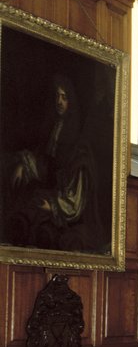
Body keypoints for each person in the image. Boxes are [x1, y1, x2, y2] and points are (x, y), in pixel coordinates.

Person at [5, 73, 96, 251]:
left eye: (64, 97)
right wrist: (24, 165)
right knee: (22, 217)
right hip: (49, 194)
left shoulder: (79, 146)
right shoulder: (55, 129)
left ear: (71, 101)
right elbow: (45, 164)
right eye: (57, 96)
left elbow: (76, 198)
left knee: (45, 232)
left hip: (66, 206)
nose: (59, 102)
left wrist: (54, 206)